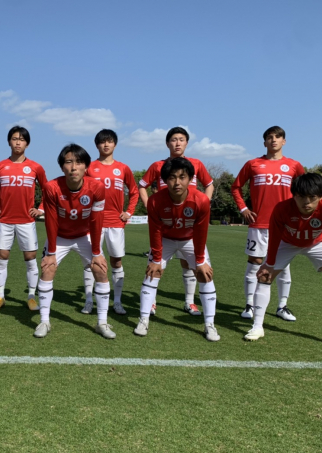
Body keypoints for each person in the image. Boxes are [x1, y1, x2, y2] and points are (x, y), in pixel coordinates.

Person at [244, 173, 322, 354]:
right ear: (294, 195)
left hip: (318, 243)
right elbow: (274, 238)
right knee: (264, 276)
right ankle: (257, 327)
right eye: (301, 197)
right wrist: (269, 263)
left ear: (320, 196)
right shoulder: (282, 209)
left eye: (312, 198)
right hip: (287, 243)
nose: (307, 202)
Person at [134, 157, 220, 342]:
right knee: (152, 273)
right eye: (172, 177)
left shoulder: (201, 200)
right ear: (165, 180)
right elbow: (155, 231)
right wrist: (156, 259)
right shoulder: (155, 201)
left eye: (182, 177)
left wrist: (200, 262)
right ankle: (143, 319)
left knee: (205, 274)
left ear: (190, 179)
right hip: (165, 240)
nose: (177, 182)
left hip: (190, 240)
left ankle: (210, 324)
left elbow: (201, 233)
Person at [36, 144, 113, 339]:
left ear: (86, 167)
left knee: (101, 270)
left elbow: (96, 221)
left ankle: (102, 322)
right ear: (62, 167)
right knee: (47, 269)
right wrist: (51, 252)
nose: (73, 167)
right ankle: (44, 321)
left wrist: (96, 252)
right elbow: (51, 221)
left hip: (84, 235)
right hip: (60, 236)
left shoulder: (96, 187)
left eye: (79, 162)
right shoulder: (51, 187)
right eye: (68, 162)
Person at [231, 126, 305, 321]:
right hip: (259, 223)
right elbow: (236, 187)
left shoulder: (294, 165)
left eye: (278, 137)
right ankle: (250, 305)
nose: (274, 140)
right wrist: (243, 209)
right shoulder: (253, 164)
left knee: (284, 265)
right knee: (254, 263)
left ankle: (282, 306)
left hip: (285, 225)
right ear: (264, 142)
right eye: (270, 137)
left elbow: (304, 190)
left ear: (284, 141)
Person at [138, 127, 213, 316]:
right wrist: (150, 207)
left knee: (189, 265)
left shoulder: (196, 164)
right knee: (155, 265)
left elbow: (209, 184)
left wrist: (204, 204)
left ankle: (189, 302)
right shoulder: (158, 166)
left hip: (188, 225)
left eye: (181, 139)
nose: (177, 143)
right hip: (165, 226)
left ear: (187, 143)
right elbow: (142, 186)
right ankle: (151, 303)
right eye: (173, 139)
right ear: (167, 143)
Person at [0, 126, 47, 312]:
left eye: (21, 139)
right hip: (4, 221)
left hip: (27, 221)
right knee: (2, 257)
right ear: (9, 141)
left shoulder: (36, 167)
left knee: (30, 258)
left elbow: (48, 190)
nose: (18, 142)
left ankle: (31, 297)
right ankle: (0, 296)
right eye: (14, 138)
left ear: (27, 143)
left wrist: (41, 209)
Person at [81, 129, 139, 315]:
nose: (106, 145)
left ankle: (117, 301)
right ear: (97, 145)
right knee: (91, 262)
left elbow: (134, 191)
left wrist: (128, 212)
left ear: (115, 144)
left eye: (110, 141)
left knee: (116, 262)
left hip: (115, 222)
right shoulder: (89, 167)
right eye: (102, 142)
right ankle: (89, 301)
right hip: (92, 222)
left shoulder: (123, 168)